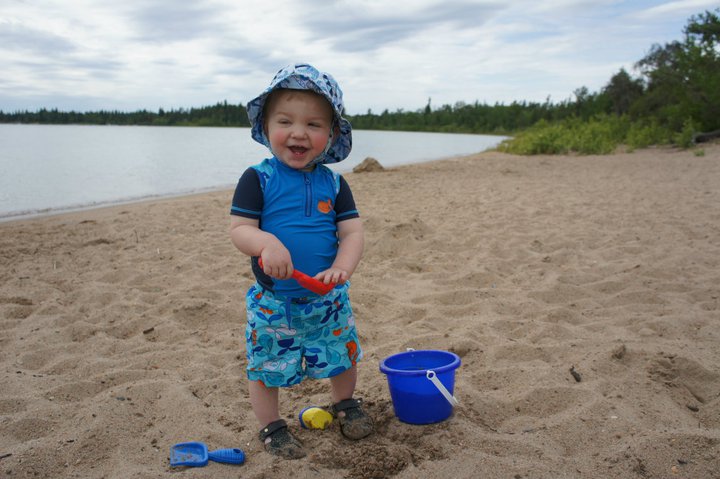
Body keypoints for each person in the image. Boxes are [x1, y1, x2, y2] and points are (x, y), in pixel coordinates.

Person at [229, 63, 373, 459]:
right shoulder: (257, 179)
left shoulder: (335, 182)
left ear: (330, 134)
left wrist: (343, 267)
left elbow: (352, 233)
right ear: (267, 125)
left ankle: (344, 403)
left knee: (343, 354)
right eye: (285, 121)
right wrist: (265, 243)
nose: (298, 132)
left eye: (313, 124)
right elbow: (240, 228)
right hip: (275, 300)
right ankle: (272, 426)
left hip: (327, 297)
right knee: (266, 366)